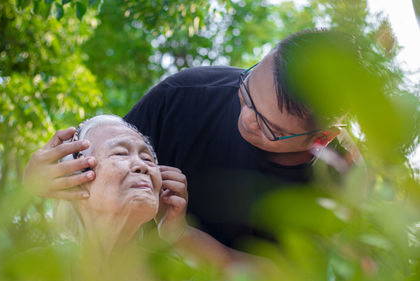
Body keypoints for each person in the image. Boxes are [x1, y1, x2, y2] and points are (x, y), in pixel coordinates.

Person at [23, 29, 363, 252]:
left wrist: (182, 236)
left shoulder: (342, 179)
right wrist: (39, 180)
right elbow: (101, 160)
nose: (245, 119)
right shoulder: (185, 96)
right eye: (245, 93)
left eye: (267, 126)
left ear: (321, 138)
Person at [48, 115, 268, 278]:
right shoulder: (36, 266)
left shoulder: (174, 273)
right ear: (74, 176)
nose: (142, 166)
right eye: (120, 153)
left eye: (147, 158)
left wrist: (178, 233)